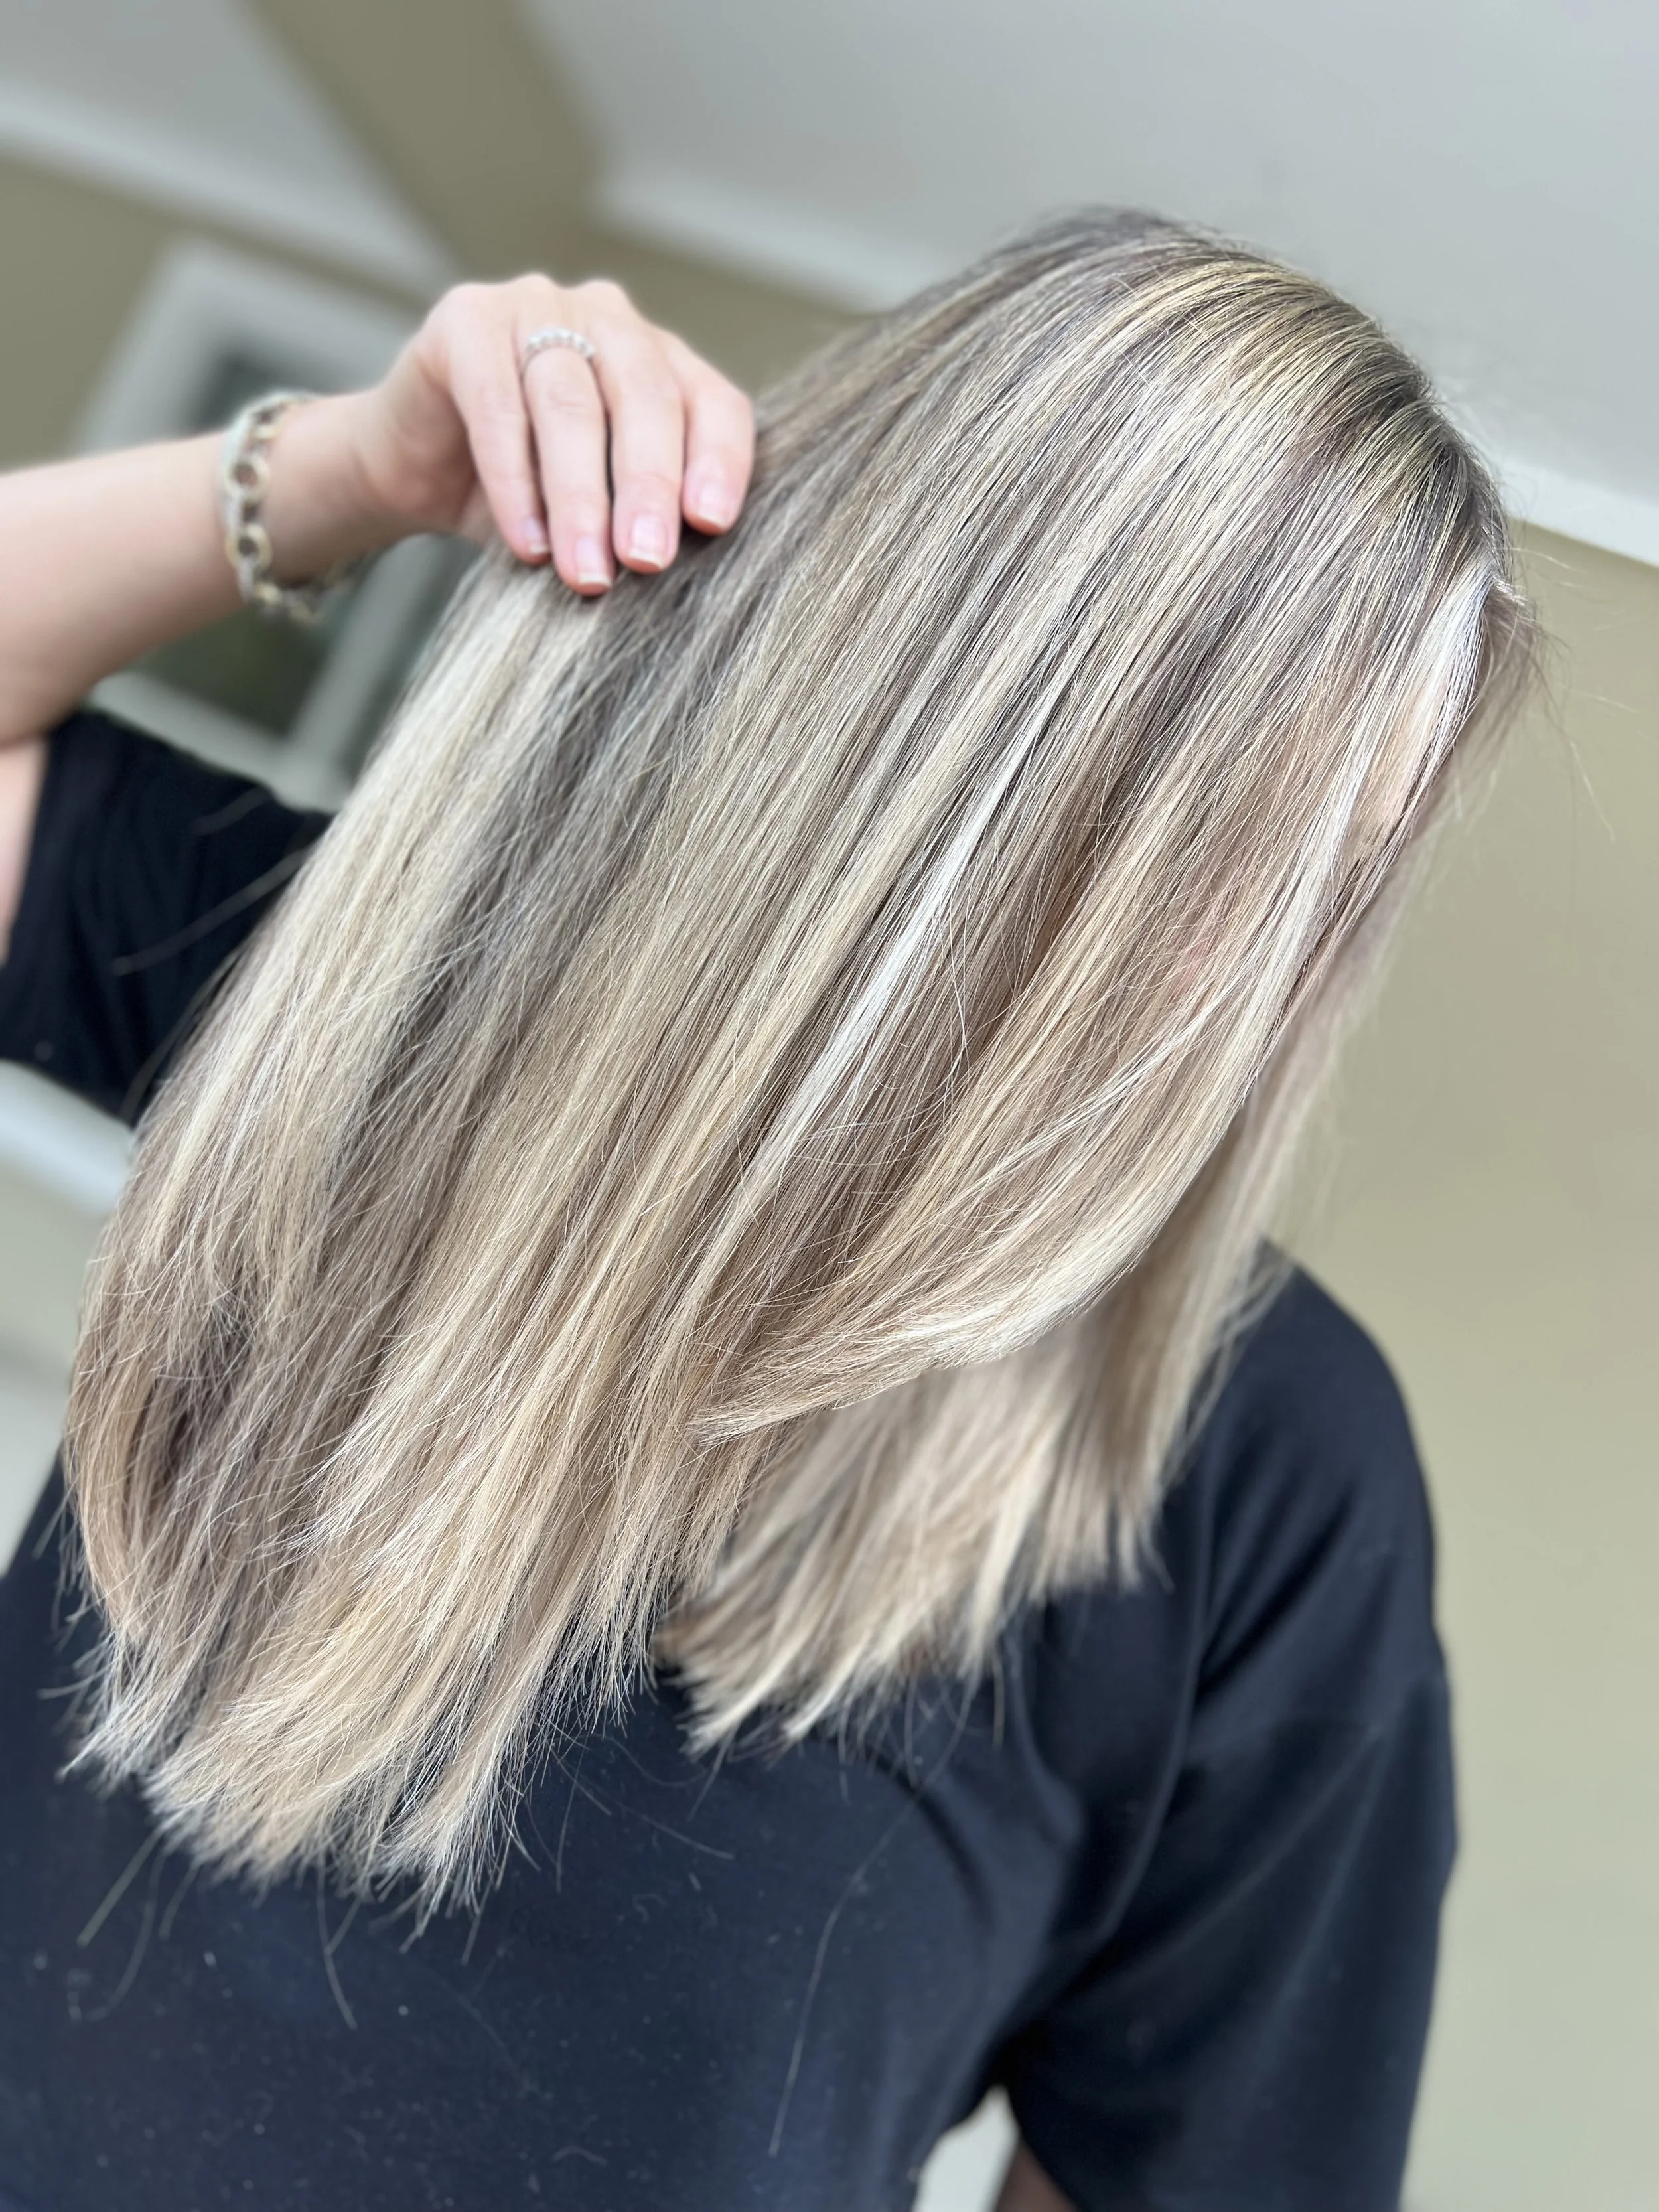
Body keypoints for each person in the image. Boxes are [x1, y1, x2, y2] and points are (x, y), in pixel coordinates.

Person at [0, 212, 1535, 2212]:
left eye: (1325, 873)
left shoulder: (1250, 1465)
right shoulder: (378, 1002)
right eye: (1206, 817)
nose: (1246, 960)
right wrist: (351, 470)